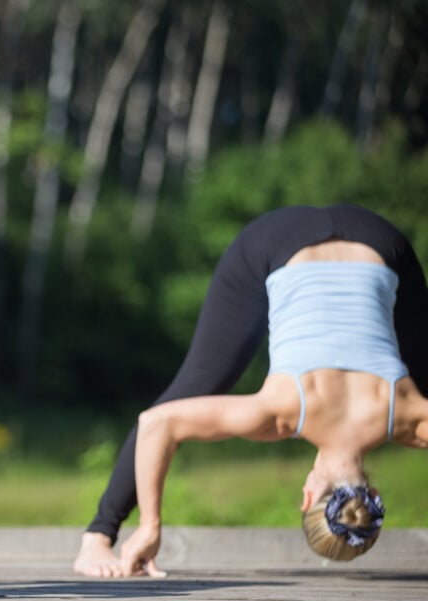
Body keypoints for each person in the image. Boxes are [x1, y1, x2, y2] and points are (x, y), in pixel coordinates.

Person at [73, 205, 428, 578]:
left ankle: (100, 535)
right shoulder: (280, 414)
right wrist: (151, 526)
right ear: (306, 497)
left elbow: (154, 424)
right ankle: (96, 538)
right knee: (192, 392)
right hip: (278, 241)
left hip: (378, 238)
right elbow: (156, 423)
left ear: (373, 497)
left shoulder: (411, 417)